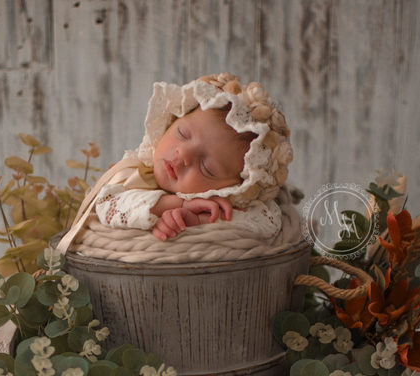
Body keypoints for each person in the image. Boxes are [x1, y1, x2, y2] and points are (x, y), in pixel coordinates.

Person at [57, 73, 293, 252]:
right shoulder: (138, 174)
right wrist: (174, 204)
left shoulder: (235, 203)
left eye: (207, 168)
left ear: (236, 188)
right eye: (182, 134)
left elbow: (267, 224)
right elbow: (106, 206)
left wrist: (201, 219)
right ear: (172, 121)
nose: (183, 154)